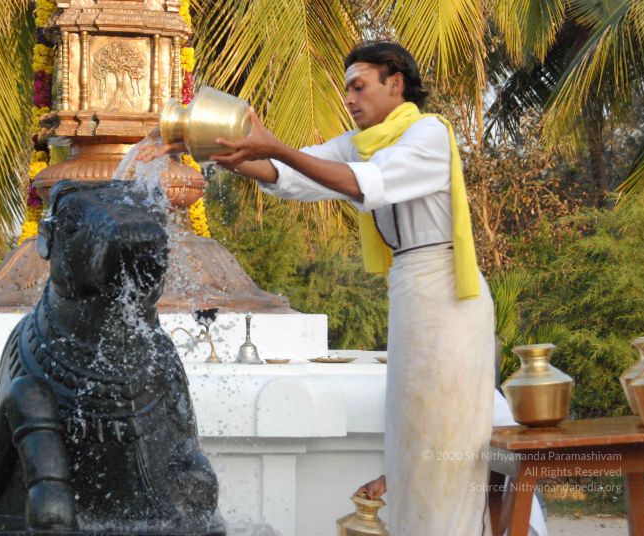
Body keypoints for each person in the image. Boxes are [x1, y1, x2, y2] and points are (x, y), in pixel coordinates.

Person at [142, 41, 498, 535]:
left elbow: (362, 183)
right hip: (410, 290)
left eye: (360, 87)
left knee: (445, 437)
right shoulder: (361, 142)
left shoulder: (428, 134)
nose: (349, 99)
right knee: (411, 438)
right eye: (348, 89)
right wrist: (204, 145)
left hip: (448, 295)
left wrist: (275, 147)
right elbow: (288, 173)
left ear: (396, 83)